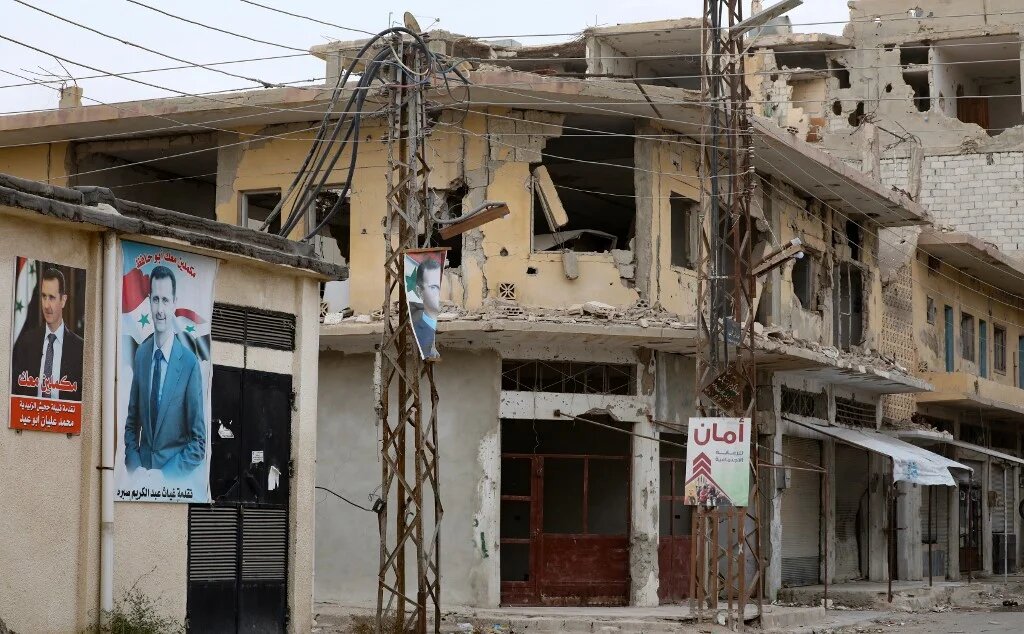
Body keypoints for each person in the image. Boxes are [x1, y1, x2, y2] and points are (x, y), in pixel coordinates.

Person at [123, 265, 206, 478]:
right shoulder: (141, 355)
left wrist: (164, 477)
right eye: (156, 299)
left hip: (171, 486)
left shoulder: (189, 364)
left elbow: (198, 444)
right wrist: (135, 466)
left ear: (174, 304)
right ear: (150, 301)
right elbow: (132, 425)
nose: (160, 310)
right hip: (139, 483)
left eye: (166, 300)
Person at [11, 267, 84, 400]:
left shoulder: (80, 349)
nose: (46, 305)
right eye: (44, 296)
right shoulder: (26, 343)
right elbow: (16, 393)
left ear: (63, 300)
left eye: (51, 297)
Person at [409, 256, 442, 359]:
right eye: (432, 287)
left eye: (437, 287)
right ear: (419, 291)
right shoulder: (416, 320)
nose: (436, 293)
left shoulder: (432, 319)